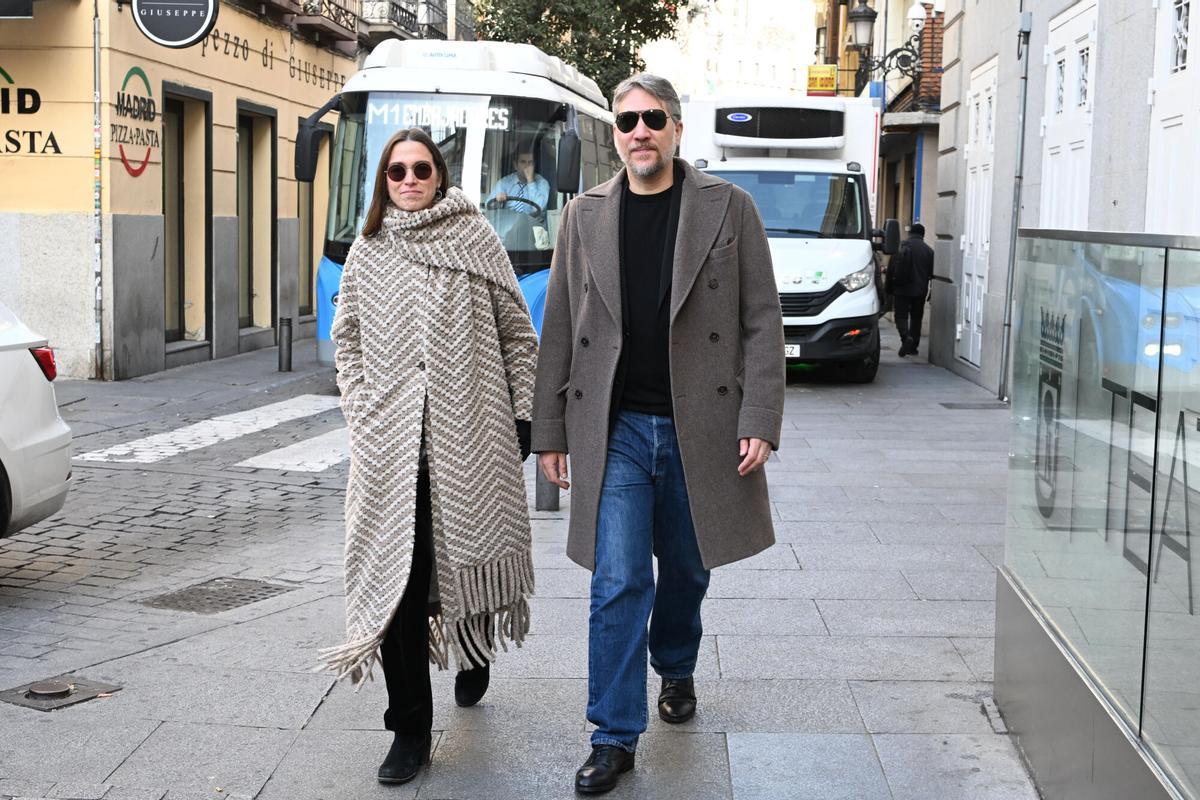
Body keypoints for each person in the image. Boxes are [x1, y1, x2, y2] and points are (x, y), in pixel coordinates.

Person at [531, 74, 785, 795]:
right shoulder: (583, 217)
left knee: (687, 568)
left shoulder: (728, 208)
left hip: (700, 424)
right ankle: (613, 734)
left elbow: (761, 319)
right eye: (625, 121)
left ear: (676, 128)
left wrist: (760, 417)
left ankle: (675, 662)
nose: (638, 131)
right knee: (617, 579)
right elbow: (559, 331)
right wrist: (550, 430)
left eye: (652, 119)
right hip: (614, 429)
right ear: (614, 133)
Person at [322, 127, 539, 786]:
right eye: (397, 172)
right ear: (383, 182)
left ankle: (473, 643)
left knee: (463, 563)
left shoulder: (476, 239)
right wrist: (361, 411)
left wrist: (523, 415)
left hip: (469, 437)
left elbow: (518, 336)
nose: (410, 180)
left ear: (438, 177)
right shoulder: (367, 250)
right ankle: (409, 727)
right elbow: (348, 341)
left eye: (421, 170)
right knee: (397, 588)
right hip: (390, 450)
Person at [887, 222, 935, 357]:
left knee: (900, 316)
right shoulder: (929, 251)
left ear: (910, 233)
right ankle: (913, 346)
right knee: (916, 318)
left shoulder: (901, 246)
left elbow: (891, 269)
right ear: (923, 235)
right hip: (919, 291)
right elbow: (932, 275)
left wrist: (889, 287)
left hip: (901, 289)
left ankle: (905, 337)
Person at [487, 148, 551, 216]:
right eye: (523, 162)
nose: (527, 165)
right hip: (508, 222)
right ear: (515, 165)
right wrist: (497, 201)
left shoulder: (542, 183)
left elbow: (539, 208)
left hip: (533, 224)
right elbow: (488, 205)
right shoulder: (505, 182)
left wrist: (530, 181)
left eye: (530, 162)